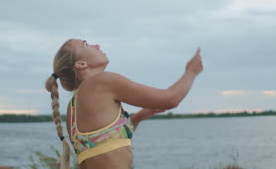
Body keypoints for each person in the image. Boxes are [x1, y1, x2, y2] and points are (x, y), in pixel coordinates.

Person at [45, 39, 203, 169]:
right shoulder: (102, 81)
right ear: (81, 64)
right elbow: (171, 99)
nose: (97, 45)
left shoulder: (73, 107)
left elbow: (104, 143)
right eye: (86, 44)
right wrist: (191, 71)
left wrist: (138, 117)